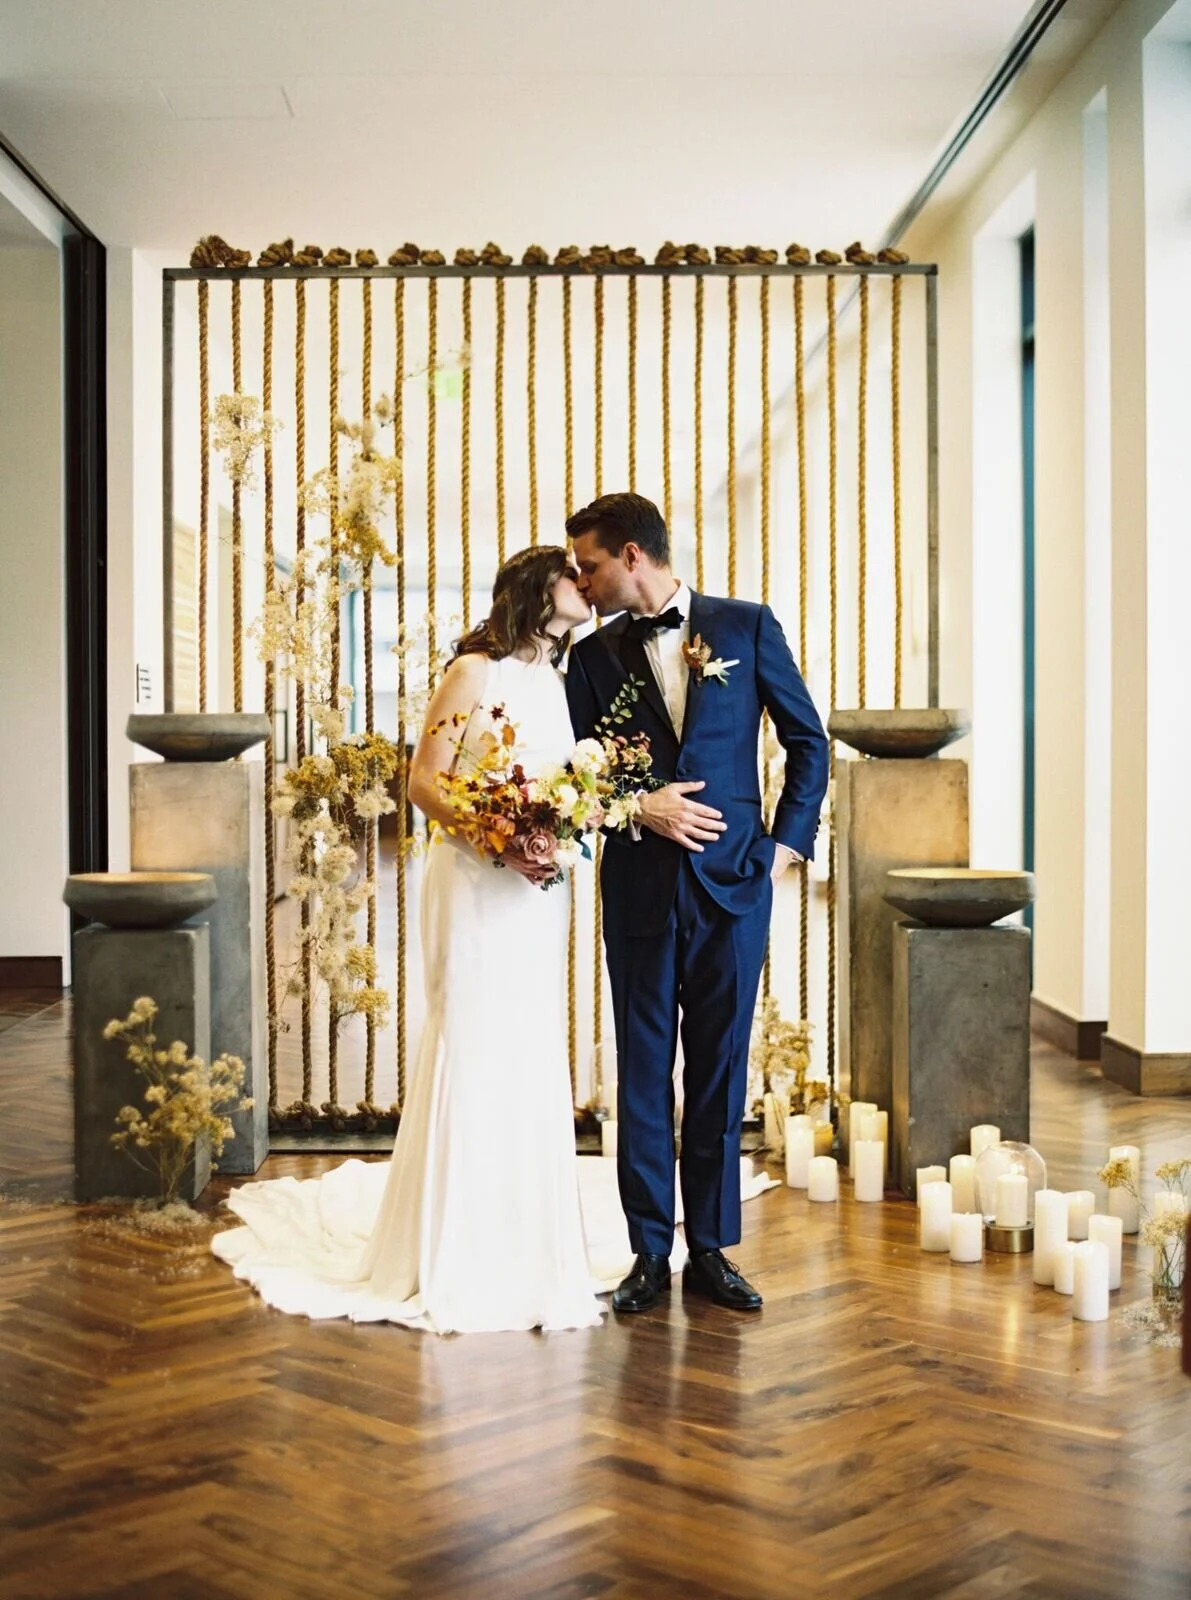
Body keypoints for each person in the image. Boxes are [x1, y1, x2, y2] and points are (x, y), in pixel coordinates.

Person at [213, 546, 606, 1333]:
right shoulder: (474, 671)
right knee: (472, 1034)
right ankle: (451, 1245)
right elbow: (424, 781)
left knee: (528, 1042)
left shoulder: (559, 684)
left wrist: (566, 825)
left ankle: (522, 1238)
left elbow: (565, 783)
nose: (584, 585)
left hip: (535, 893)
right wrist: (502, 839)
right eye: (572, 575)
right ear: (537, 590)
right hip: (474, 881)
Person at [565, 493, 829, 1314]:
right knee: (642, 1071)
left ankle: (709, 1248)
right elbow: (577, 777)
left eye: (590, 565)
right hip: (640, 883)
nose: (581, 580)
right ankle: (647, 1251)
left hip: (734, 885)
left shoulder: (746, 626)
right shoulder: (591, 655)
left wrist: (784, 846)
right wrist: (638, 807)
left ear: (634, 556)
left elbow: (806, 740)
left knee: (717, 1066)